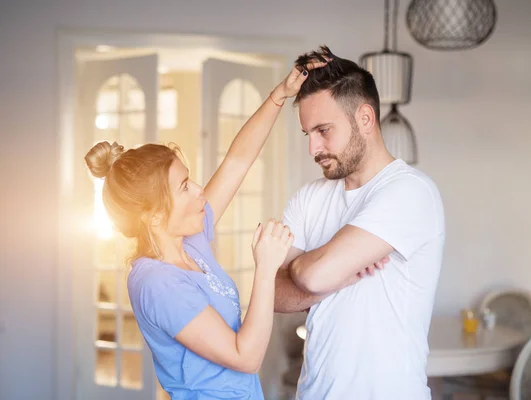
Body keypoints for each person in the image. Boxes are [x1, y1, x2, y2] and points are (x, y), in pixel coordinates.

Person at [83, 61, 326, 399]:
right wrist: (266, 268)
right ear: (153, 216)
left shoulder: (190, 241)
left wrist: (279, 96)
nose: (199, 190)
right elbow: (246, 357)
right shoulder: (157, 282)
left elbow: (237, 161)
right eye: (184, 186)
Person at [274, 46, 446, 399]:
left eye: (323, 130)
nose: (313, 149)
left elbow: (311, 276)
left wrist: (302, 269)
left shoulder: (411, 191)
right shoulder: (309, 197)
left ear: (365, 119)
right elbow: (273, 294)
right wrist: (332, 271)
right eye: (308, 134)